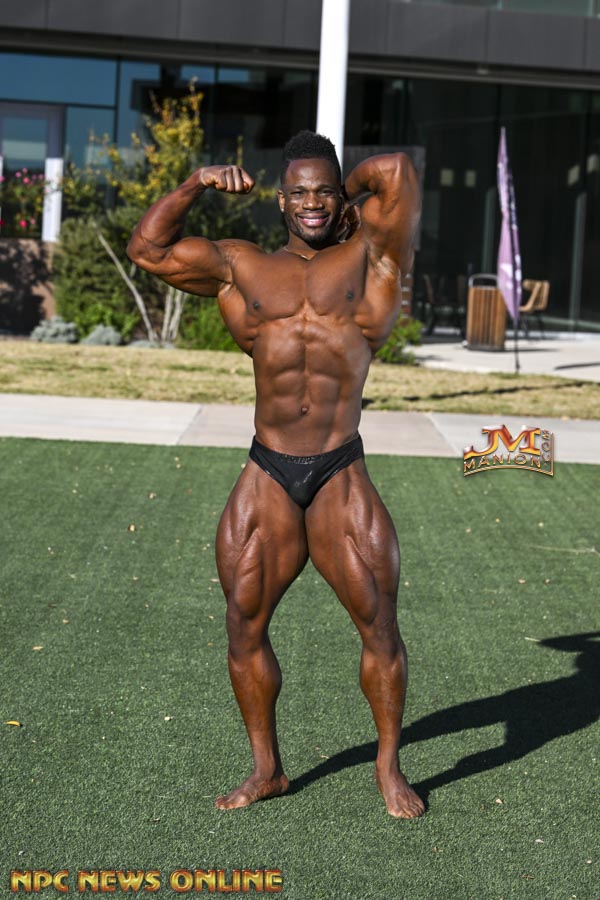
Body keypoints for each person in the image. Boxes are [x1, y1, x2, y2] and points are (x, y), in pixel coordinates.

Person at [127, 130, 424, 818]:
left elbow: (395, 169)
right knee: (243, 623)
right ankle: (267, 769)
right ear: (281, 200)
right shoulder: (243, 267)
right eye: (299, 192)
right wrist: (197, 183)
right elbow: (149, 249)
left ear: (338, 195)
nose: (311, 202)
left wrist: (347, 194)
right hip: (268, 467)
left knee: (379, 625)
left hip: (339, 467)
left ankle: (388, 766)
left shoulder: (372, 256)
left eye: (323, 191)